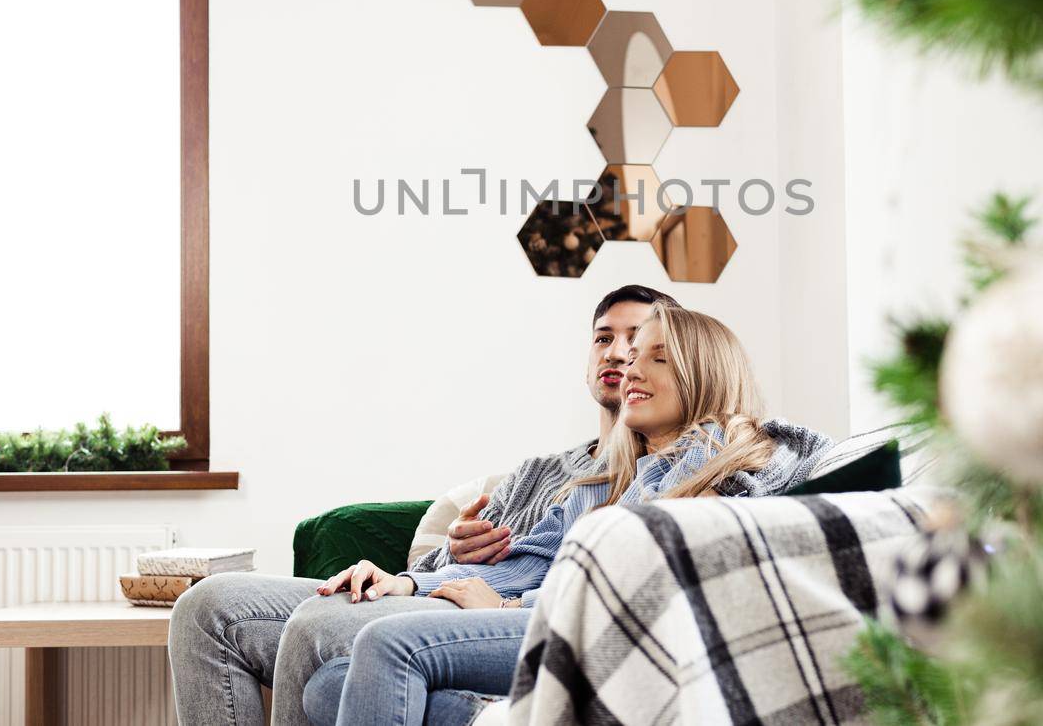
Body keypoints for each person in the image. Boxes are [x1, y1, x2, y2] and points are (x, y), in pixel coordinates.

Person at [168, 284, 679, 726]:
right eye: (603, 338)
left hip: (504, 625)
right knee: (206, 606)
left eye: (637, 340)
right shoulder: (539, 473)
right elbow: (453, 572)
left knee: (319, 626)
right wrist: (443, 557)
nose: (617, 353)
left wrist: (503, 604)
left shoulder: (677, 471)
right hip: (437, 601)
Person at [302, 303, 832, 726]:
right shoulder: (632, 473)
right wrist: (412, 584)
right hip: (549, 619)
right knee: (333, 683)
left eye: (657, 358)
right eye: (626, 352)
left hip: (607, 637)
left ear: (705, 373)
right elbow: (532, 559)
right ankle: (492, 714)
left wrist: (506, 611)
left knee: (386, 646)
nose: (630, 369)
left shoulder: (720, 450)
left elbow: (645, 578)